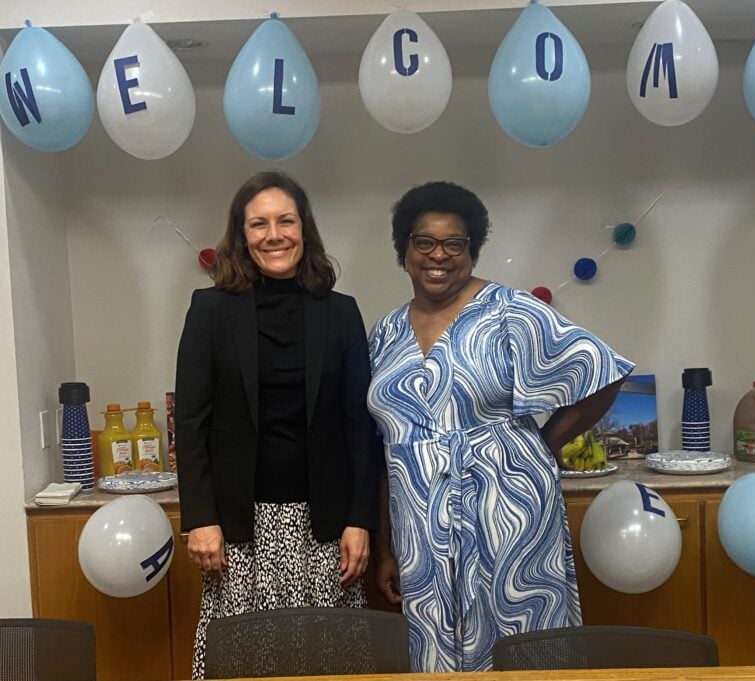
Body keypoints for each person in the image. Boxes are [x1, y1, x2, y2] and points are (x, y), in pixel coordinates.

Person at [367, 181, 634, 672]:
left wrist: (544, 441)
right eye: (424, 241)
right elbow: (385, 448)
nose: (439, 255)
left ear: (473, 249)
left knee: (523, 642)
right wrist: (385, 547)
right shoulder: (385, 333)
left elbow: (601, 372)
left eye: (455, 243)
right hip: (420, 527)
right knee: (431, 653)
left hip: (508, 510)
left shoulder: (509, 311)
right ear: (403, 249)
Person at [176, 171, 381, 679]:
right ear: (241, 235)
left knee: (325, 660)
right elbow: (191, 420)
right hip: (239, 528)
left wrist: (361, 519)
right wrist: (199, 518)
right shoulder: (210, 311)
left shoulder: (341, 313)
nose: (273, 235)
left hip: (325, 528)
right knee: (246, 662)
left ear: (304, 229)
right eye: (258, 224)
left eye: (285, 221)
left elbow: (360, 425)